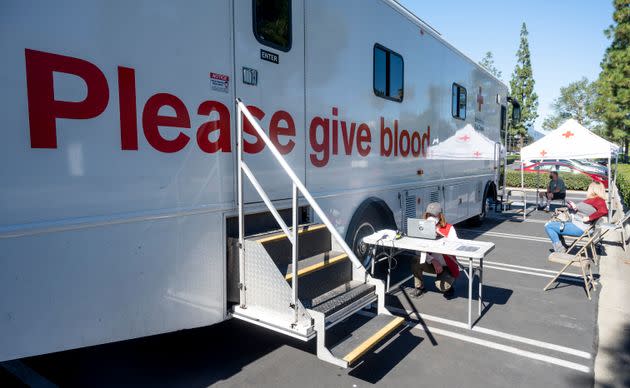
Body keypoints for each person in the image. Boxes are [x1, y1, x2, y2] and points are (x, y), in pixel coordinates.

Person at [410, 202, 460, 298]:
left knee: (442, 286)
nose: (431, 217)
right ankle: (419, 287)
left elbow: (455, 246)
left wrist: (440, 234)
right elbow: (418, 250)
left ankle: (449, 285)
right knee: (415, 259)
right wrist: (432, 260)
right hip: (432, 264)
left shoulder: (449, 228)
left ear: (440, 215)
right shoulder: (423, 228)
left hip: (446, 266)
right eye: (429, 214)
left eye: (434, 215)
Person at [544, 181, 608, 253]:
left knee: (549, 226)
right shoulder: (594, 199)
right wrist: (574, 207)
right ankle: (562, 246)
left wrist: (590, 218)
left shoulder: (598, 200)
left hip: (580, 227)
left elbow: (604, 211)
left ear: (593, 189)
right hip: (579, 224)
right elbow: (587, 210)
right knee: (552, 224)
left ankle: (560, 249)